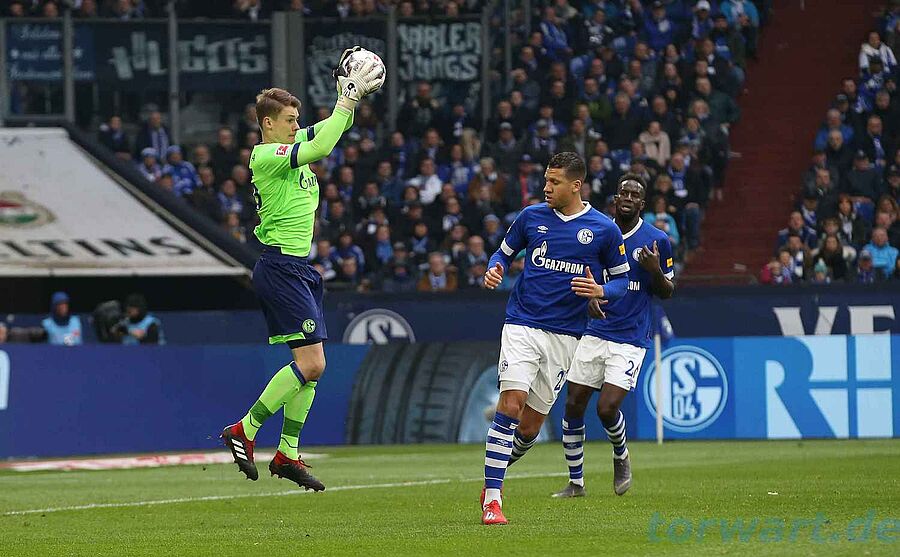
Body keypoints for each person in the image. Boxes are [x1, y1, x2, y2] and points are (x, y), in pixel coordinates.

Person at [220, 47, 384, 491]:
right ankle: (245, 430)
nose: (296, 126)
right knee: (312, 364)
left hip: (298, 270)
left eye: (297, 120)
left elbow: (334, 129)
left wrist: (347, 96)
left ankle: (287, 452)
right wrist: (346, 99)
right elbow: (324, 144)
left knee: (313, 367)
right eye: (290, 120)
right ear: (268, 123)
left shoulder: (290, 144)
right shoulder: (266, 156)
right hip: (280, 268)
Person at [479, 152, 630, 525]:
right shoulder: (531, 217)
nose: (546, 187)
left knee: (529, 429)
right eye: (546, 180)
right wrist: (494, 268)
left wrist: (601, 291)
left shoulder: (603, 229)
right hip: (522, 323)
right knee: (511, 404)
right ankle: (493, 500)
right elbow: (502, 254)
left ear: (576, 186)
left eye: (554, 182)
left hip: (566, 336)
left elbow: (622, 282)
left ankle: (494, 472)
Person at [550, 173, 675, 499]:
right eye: (624, 193)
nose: (629, 198)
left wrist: (654, 270)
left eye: (635, 194)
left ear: (643, 203)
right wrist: (588, 298)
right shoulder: (599, 232)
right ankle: (576, 483)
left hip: (630, 338)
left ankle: (621, 455)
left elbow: (668, 291)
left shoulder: (657, 240)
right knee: (573, 405)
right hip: (595, 331)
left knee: (606, 409)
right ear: (616, 199)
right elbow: (580, 275)